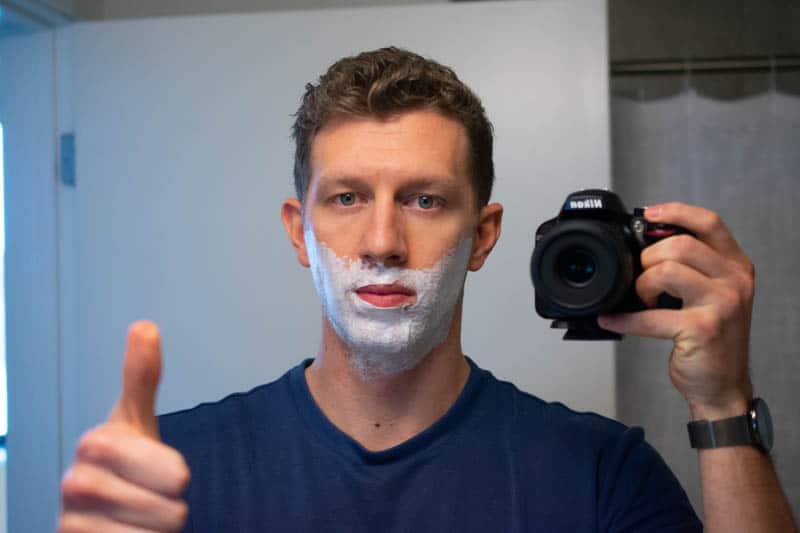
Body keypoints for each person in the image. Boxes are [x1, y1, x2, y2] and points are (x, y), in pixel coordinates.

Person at [58, 47, 797, 532]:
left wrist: (722, 403)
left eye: (425, 200)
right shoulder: (174, 469)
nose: (381, 242)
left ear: (482, 234)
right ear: (298, 231)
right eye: (346, 198)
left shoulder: (601, 475)